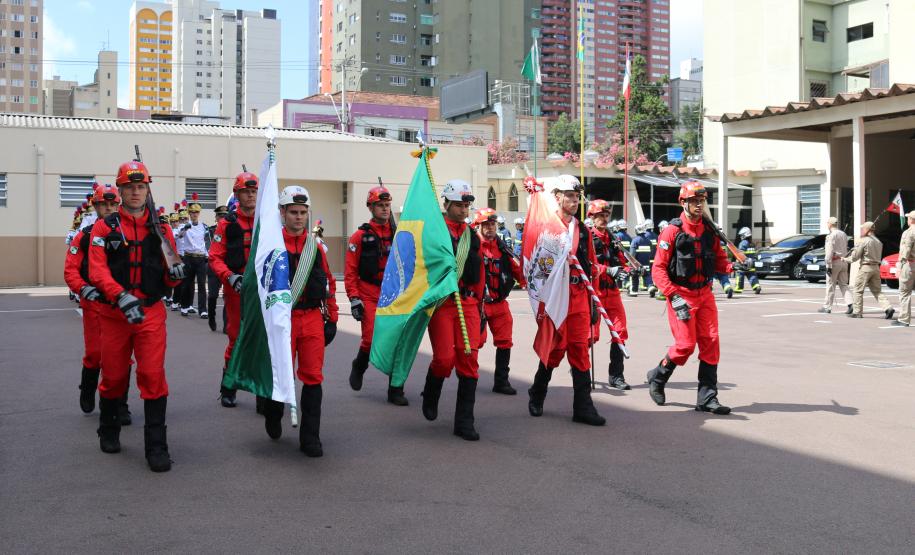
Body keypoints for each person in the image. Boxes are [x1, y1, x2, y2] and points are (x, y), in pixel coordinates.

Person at [88, 160, 185, 472]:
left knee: (153, 376)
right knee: (114, 376)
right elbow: (97, 270)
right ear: (120, 190)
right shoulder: (105, 227)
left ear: (147, 190)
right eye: (129, 187)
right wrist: (120, 295)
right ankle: (109, 428)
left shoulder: (162, 228)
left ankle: (157, 446)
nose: (135, 192)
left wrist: (175, 275)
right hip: (113, 314)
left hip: (151, 314)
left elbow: (170, 274)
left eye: (140, 186)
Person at [647, 181, 738, 415]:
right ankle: (658, 376)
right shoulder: (672, 231)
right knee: (685, 345)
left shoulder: (710, 230)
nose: (699, 205)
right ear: (683, 202)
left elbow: (718, 260)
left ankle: (707, 398)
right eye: (694, 201)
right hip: (681, 294)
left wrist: (731, 267)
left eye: (701, 201)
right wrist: (673, 296)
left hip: (705, 294)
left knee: (711, 342)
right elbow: (658, 269)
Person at [260, 186, 338, 456]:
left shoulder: (315, 248)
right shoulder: (271, 245)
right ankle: (272, 412)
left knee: (313, 378)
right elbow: (260, 286)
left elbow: (328, 283)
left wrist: (333, 318)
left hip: (312, 319)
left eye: (303, 212)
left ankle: (310, 437)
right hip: (282, 321)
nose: (298, 217)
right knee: (280, 374)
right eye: (293, 212)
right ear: (282, 212)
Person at [527, 175, 606, 426]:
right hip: (556, 297)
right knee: (554, 349)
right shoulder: (547, 227)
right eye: (569, 196)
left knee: (579, 350)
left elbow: (591, 266)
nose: (574, 200)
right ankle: (538, 391)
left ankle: (583, 407)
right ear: (557, 197)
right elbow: (538, 271)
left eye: (576, 196)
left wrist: (594, 302)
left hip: (580, 296)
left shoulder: (581, 229)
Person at [420, 179, 485, 441]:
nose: (463, 210)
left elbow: (479, 274)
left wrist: (480, 308)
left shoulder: (472, 236)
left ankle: (464, 421)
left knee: (469, 360)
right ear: (445, 204)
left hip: (468, 302)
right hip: (442, 304)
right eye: (458, 205)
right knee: (444, 359)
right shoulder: (435, 232)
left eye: (466, 204)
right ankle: (431, 391)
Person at [344, 186, 407, 405]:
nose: (384, 209)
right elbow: (350, 271)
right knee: (370, 339)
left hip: (394, 294)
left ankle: (395, 388)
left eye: (387, 205)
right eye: (380, 205)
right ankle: (359, 366)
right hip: (369, 293)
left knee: (397, 341)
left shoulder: (400, 235)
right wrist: (354, 298)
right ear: (370, 207)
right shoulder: (359, 236)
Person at [64, 184, 121, 415]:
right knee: (95, 354)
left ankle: (120, 404)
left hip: (120, 305)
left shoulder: (127, 233)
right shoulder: (83, 237)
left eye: (112, 204)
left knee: (121, 358)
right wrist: (82, 288)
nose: (108, 208)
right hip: (94, 304)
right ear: (95, 206)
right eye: (103, 204)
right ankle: (87, 390)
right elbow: (71, 271)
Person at [209, 171, 258, 407]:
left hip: (262, 291)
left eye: (254, 191)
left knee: (265, 340)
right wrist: (230, 277)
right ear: (237, 194)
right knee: (237, 339)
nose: (250, 195)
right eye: (246, 191)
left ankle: (263, 391)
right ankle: (228, 386)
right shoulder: (226, 225)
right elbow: (215, 258)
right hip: (236, 289)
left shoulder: (267, 220)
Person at [475, 207, 527, 395]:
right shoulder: (472, 246)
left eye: (492, 224)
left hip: (499, 303)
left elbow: (516, 270)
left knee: (505, 341)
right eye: (486, 224)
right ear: (478, 226)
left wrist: (527, 280)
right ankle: (469, 379)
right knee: (475, 342)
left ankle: (501, 381)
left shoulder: (503, 247)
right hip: (477, 305)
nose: (490, 228)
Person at [588, 199, 631, 390]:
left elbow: (623, 262)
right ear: (592, 217)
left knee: (620, 333)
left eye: (606, 216)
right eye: (600, 216)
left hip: (613, 294)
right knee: (591, 336)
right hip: (593, 294)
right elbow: (586, 265)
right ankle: (580, 368)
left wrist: (630, 269)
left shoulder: (614, 239)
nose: (604, 219)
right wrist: (607, 270)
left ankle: (616, 376)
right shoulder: (586, 239)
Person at [844, 221, 895, 319]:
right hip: (876, 268)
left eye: (863, 228)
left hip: (866, 267)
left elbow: (855, 257)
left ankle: (857, 312)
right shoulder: (878, 241)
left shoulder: (864, 240)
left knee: (858, 290)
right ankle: (888, 308)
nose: (862, 230)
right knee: (877, 291)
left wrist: (845, 259)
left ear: (867, 229)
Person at [175, 194, 208, 318]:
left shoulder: (203, 226)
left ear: (199, 213)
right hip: (188, 257)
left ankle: (203, 310)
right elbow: (178, 236)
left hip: (200, 258)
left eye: (196, 212)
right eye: (192, 212)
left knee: (201, 285)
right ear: (189, 213)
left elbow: (204, 242)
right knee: (187, 284)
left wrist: (206, 255)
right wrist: (185, 230)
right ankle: (184, 306)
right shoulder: (185, 225)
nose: (194, 214)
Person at [819, 217, 852, 314]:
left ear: (829, 224)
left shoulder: (831, 236)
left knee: (830, 285)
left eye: (827, 223)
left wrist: (828, 265)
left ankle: (827, 306)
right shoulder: (843, 234)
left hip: (835, 262)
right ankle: (851, 304)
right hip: (844, 261)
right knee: (844, 284)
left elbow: (829, 252)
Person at [206, 205, 229, 331]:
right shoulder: (210, 231)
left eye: (225, 216)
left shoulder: (232, 230)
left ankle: (227, 325)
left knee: (227, 296)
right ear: (216, 217)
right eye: (220, 216)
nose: (222, 218)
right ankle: (211, 317)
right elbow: (206, 246)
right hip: (214, 266)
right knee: (213, 296)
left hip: (227, 266)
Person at [893, 210, 915, 327]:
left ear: (911, 219)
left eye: (908, 218)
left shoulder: (909, 232)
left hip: (910, 264)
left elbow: (906, 250)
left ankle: (904, 319)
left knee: (904, 292)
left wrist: (899, 266)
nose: (907, 219)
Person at [630, 220, 656, 297]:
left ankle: (634, 291)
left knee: (635, 276)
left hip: (637, 263)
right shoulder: (648, 241)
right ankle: (650, 287)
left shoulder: (635, 240)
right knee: (647, 276)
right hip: (646, 263)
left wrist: (631, 263)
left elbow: (632, 254)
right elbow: (651, 251)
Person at [734, 227, 762, 294]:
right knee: (752, 276)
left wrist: (738, 261)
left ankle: (738, 289)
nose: (741, 236)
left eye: (741, 235)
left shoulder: (743, 243)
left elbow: (740, 253)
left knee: (740, 274)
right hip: (752, 263)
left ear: (745, 235)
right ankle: (756, 286)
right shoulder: (751, 243)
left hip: (744, 263)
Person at [655, 220, 669, 301]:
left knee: (662, 276)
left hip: (664, 259)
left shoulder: (664, 235)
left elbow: (663, 250)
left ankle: (662, 293)